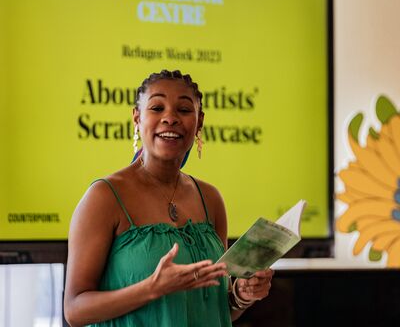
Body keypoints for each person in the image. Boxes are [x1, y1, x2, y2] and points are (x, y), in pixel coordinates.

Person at [64, 70, 273, 327]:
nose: (170, 118)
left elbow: (214, 310)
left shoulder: (210, 199)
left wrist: (241, 296)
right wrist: (152, 288)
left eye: (184, 110)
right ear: (137, 118)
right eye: (157, 107)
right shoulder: (104, 197)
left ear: (199, 123)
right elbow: (74, 310)